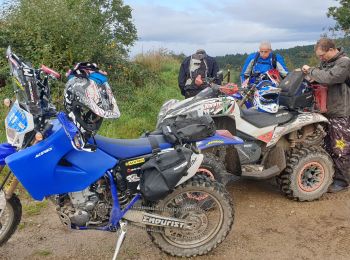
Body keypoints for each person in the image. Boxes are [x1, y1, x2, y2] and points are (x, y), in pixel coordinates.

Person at [302, 38, 350, 193]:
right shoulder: (327, 63)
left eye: (322, 55)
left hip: (340, 112)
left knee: (340, 147)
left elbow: (329, 77)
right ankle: (332, 173)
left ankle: (342, 181)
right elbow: (320, 75)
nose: (321, 59)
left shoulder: (344, 62)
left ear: (331, 49)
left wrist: (311, 70)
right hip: (326, 111)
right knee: (327, 145)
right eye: (319, 57)